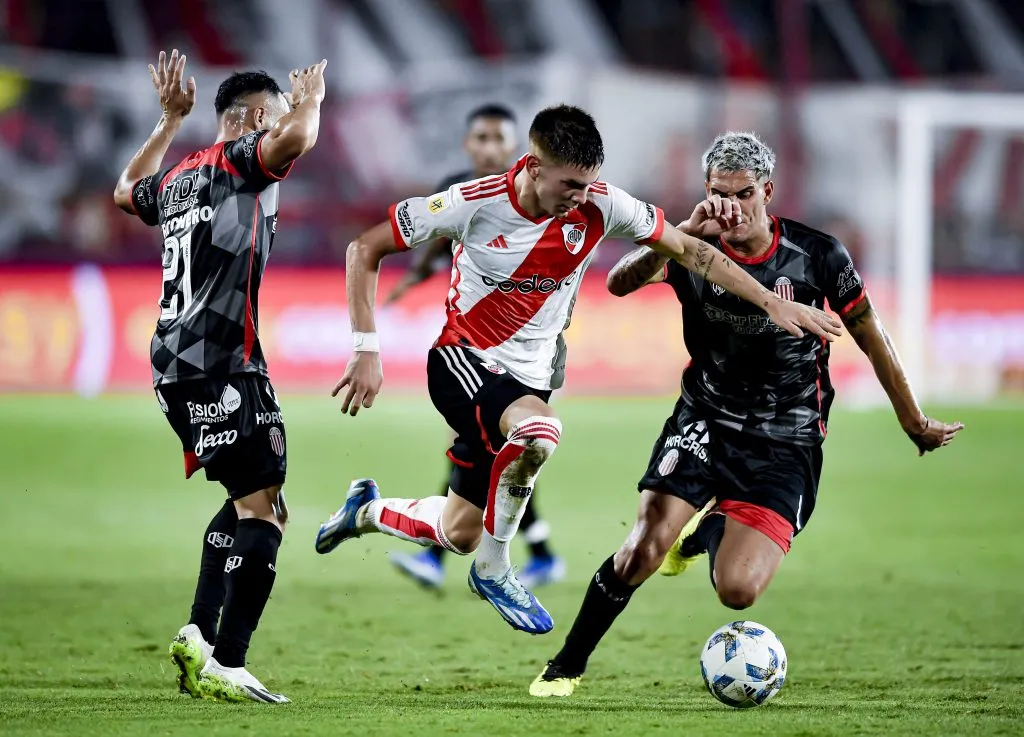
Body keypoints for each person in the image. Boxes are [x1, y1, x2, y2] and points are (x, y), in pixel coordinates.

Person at [314, 108, 841, 636]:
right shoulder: (472, 204)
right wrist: (365, 348)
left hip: (529, 380)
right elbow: (365, 247)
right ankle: (495, 571)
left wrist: (770, 301)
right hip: (464, 359)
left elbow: (691, 251)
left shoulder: (601, 202)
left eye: (588, 183)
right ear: (534, 165)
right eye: (570, 183)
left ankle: (365, 510)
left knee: (460, 530)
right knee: (540, 432)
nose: (580, 196)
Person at [529, 131, 965, 696]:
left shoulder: (818, 255)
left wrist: (913, 420)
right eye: (718, 193)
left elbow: (871, 335)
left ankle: (706, 530)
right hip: (704, 420)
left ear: (769, 191)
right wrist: (680, 233)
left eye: (743, 195)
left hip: (787, 440)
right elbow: (617, 283)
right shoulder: (691, 244)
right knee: (641, 548)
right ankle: (567, 664)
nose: (730, 208)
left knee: (737, 591)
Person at [113, 50, 327, 703]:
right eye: (277, 115)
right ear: (257, 118)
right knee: (269, 507)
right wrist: (311, 99)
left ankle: (199, 633)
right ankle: (229, 663)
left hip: (171, 366)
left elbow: (126, 191)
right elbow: (299, 137)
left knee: (243, 498)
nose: (284, 126)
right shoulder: (240, 158)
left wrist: (168, 121)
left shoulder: (177, 175)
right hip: (223, 362)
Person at [385, 104, 566, 591]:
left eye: (497, 139)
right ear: (468, 144)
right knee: (496, 450)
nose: (488, 148)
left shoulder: (550, 196)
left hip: (528, 356)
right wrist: (411, 281)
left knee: (502, 448)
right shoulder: (462, 193)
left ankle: (458, 558)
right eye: (480, 138)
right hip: (477, 345)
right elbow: (433, 245)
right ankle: (528, 555)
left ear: (516, 148)